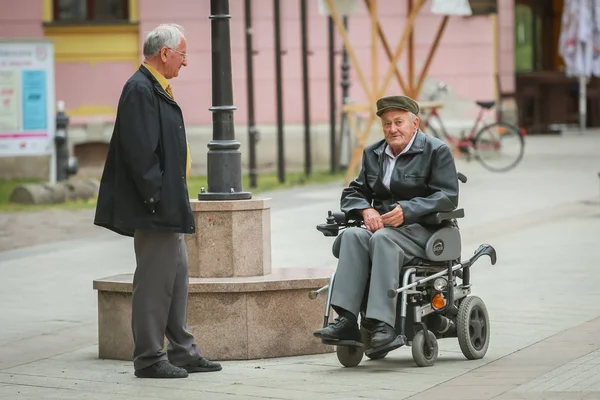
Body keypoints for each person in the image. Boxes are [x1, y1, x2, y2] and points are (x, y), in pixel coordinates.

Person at [94, 23, 222, 379]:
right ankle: (150, 358)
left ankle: (182, 351)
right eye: (183, 54)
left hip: (167, 203)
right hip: (156, 208)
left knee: (176, 279)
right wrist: (156, 198)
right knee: (154, 283)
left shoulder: (156, 87)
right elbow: (139, 152)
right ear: (164, 53)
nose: (186, 63)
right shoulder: (140, 89)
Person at [313, 95, 459, 352]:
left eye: (398, 122)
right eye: (387, 124)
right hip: (384, 229)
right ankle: (346, 320)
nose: (392, 129)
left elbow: (447, 196)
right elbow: (353, 192)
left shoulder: (436, 151)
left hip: (424, 231)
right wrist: (365, 208)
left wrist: (408, 210)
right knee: (352, 236)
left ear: (415, 123)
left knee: (381, 238)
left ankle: (383, 325)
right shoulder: (374, 153)